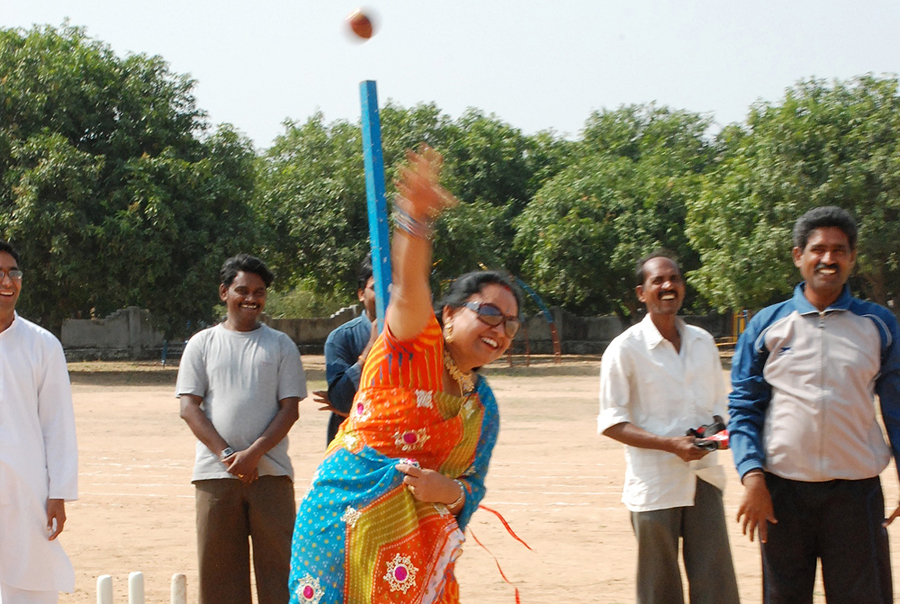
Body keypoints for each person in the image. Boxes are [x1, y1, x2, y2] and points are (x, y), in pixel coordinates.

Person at [288, 147, 522, 604]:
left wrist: (448, 491)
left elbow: (471, 486)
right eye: (489, 313)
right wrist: (415, 220)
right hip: (343, 529)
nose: (500, 329)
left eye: (511, 323)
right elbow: (411, 284)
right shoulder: (414, 347)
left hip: (412, 549)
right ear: (451, 315)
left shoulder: (482, 405)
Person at [730, 206, 900, 604]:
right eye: (818, 249)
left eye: (839, 250)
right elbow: (744, 406)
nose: (828, 259)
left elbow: (897, 408)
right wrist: (752, 474)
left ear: (852, 258)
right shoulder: (767, 326)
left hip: (856, 494)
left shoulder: (878, 325)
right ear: (798, 257)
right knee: (785, 597)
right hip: (781, 495)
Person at [598, 251, 740, 604]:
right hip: (655, 486)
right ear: (641, 293)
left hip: (703, 478)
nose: (667, 286)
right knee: (659, 589)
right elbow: (611, 422)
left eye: (674, 279)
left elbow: (718, 407)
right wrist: (670, 445)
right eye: (657, 281)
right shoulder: (624, 349)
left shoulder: (702, 342)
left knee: (716, 585)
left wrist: (718, 435)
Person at [177, 254, 307, 604]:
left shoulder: (281, 345)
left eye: (259, 292)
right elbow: (189, 409)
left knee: (280, 574)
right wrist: (229, 456)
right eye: (242, 290)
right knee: (219, 578)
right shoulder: (201, 344)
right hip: (215, 477)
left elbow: (290, 410)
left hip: (271, 476)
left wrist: (254, 455)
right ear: (224, 292)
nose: (252, 298)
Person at [0, 241, 78, 604]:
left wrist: (58, 492)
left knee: (29, 580)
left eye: (13, 273)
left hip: (27, 487)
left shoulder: (42, 345)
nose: (8, 281)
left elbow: (58, 424)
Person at [316, 258, 378, 445]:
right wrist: (369, 350)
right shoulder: (341, 338)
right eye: (377, 288)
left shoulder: (418, 339)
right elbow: (341, 400)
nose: (387, 294)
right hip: (354, 450)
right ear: (361, 294)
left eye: (394, 287)